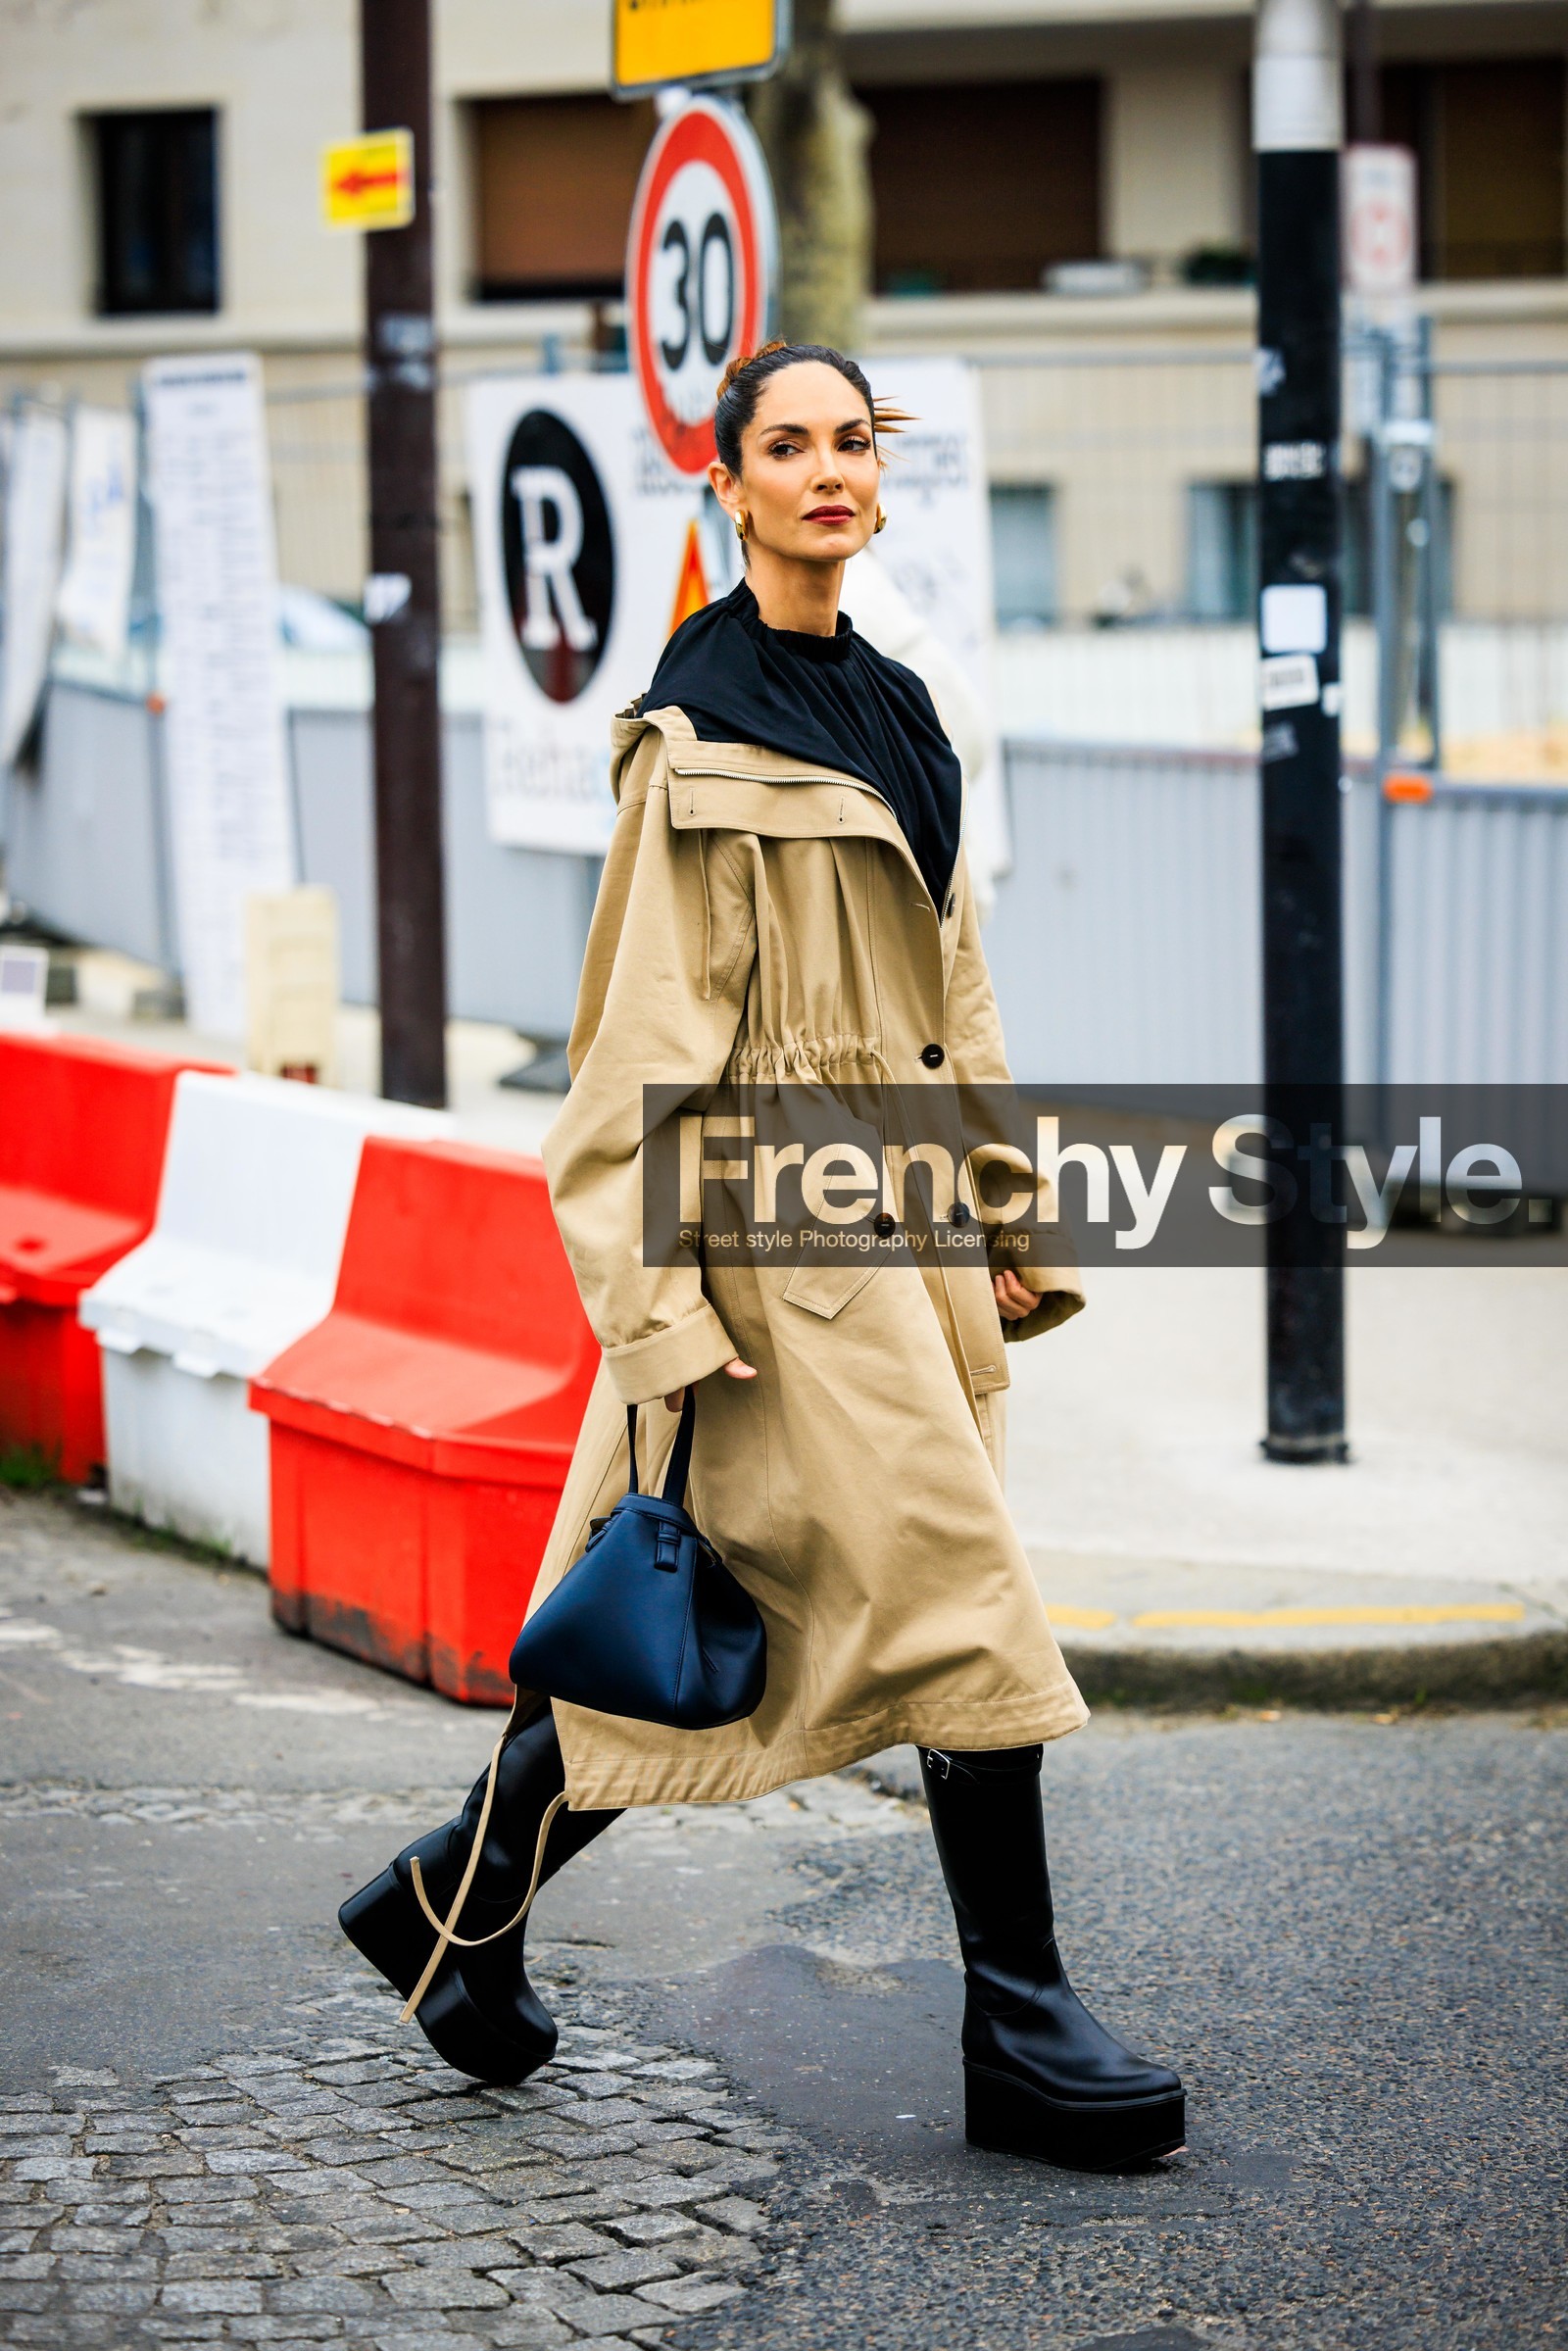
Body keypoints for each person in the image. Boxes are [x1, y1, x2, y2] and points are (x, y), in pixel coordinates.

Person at [340, 342, 1184, 2174]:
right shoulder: (697, 736)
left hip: (901, 1225)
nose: (824, 472)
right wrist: (659, 1318)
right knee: (961, 1599)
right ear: (726, 483)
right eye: (785, 445)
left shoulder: (904, 706)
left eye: (851, 443)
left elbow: (951, 1009)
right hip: (777, 1243)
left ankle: (447, 1907)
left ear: (883, 479)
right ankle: (1021, 2026)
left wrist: (1009, 1225)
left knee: (744, 1604)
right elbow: (629, 1063)